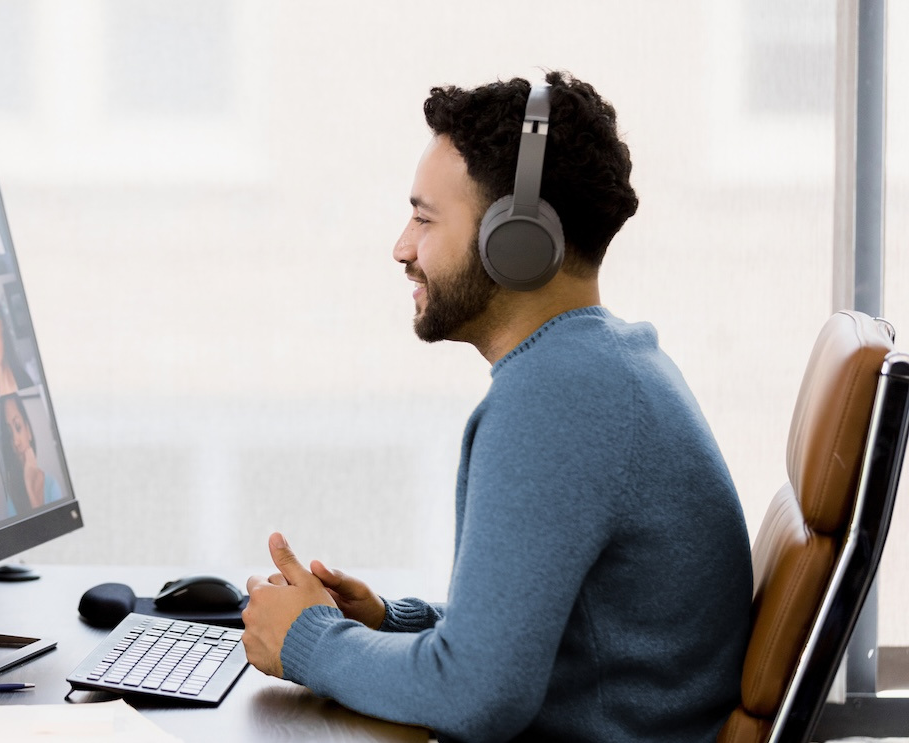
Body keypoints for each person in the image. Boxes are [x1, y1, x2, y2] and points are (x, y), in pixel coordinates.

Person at [240, 71, 753, 742]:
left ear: (515, 237)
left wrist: (310, 640)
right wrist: (394, 623)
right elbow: (556, 642)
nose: (401, 247)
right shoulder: (611, 364)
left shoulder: (557, 398)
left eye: (425, 218)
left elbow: (478, 696)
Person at [0, 393, 60, 517]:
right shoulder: (11, 500)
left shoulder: (51, 486)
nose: (15, 441)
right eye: (9, 434)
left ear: (29, 431)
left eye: (18, 427)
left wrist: (32, 490)